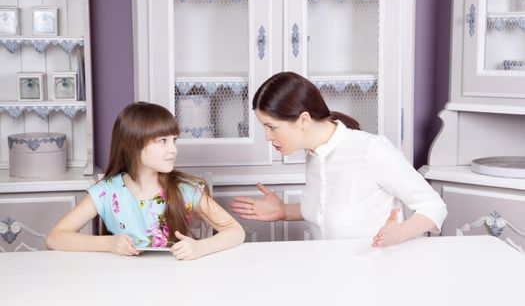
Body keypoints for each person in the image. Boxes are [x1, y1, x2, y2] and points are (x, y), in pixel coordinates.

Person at [231, 72, 447, 247]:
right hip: (330, 276)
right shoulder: (314, 154)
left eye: (271, 127)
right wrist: (284, 211)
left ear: (303, 120)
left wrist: (398, 234)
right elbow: (329, 209)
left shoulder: (371, 150)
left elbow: (434, 206)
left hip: (375, 277)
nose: (268, 137)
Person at [47, 102, 245, 259]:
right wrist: (108, 244)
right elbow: (56, 237)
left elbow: (235, 231)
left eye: (174, 140)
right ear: (133, 146)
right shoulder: (107, 191)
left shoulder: (185, 190)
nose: (173, 149)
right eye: (162, 141)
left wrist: (200, 248)